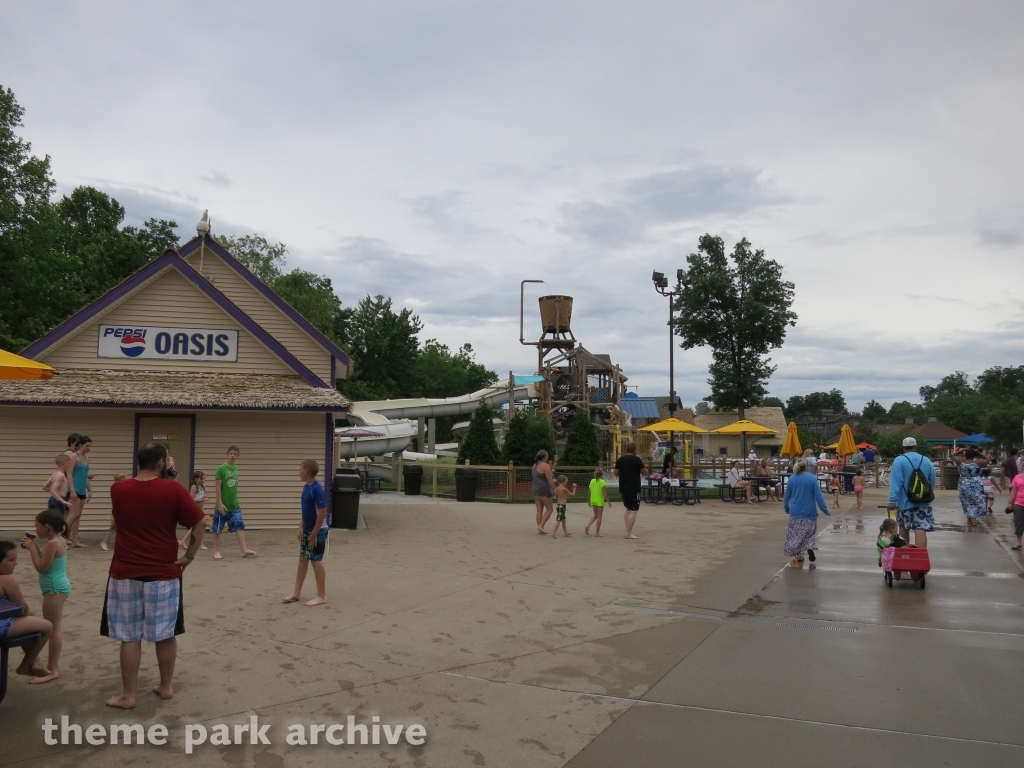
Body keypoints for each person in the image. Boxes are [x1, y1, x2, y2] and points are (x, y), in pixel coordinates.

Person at [102, 442, 206, 709]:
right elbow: (200, 521)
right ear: (162, 462)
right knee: (165, 633)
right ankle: (166, 686)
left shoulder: (118, 489)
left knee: (129, 636)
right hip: (163, 571)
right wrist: (189, 557)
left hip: (125, 571)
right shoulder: (173, 489)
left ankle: (128, 695)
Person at [20, 509, 71, 684]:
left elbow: (42, 567)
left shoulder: (52, 544)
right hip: (55, 586)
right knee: (52, 627)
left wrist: (33, 549)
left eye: (37, 526)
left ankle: (53, 670)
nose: (36, 530)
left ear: (47, 527)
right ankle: (51, 668)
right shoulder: (57, 540)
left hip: (55, 588)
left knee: (52, 628)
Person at [0, 541, 54, 681]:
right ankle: (25, 665)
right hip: (2, 625)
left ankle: (36, 663)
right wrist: (28, 613)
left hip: (6, 618)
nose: (16, 563)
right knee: (47, 626)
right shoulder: (7, 580)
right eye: (11, 560)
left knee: (27, 623)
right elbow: (22, 608)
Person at [282, 459, 329, 606]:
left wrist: (314, 534)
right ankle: (297, 592)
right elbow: (307, 511)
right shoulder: (306, 487)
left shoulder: (317, 489)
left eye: (300, 469)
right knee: (303, 559)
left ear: (306, 472)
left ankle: (321, 596)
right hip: (308, 529)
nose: (298, 472)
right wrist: (301, 526)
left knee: (316, 561)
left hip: (318, 530)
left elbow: (322, 512)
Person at [887, 437, 936, 548]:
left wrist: (892, 500)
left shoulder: (899, 460)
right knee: (921, 529)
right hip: (924, 502)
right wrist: (927, 494)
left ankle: (906, 556)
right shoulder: (926, 460)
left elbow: (896, 482)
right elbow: (932, 480)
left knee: (903, 528)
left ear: (903, 447)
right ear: (916, 446)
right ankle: (920, 557)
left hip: (904, 502)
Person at [782, 458, 830, 567]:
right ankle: (809, 547)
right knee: (809, 533)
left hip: (795, 512)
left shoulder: (792, 478)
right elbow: (819, 496)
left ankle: (799, 555)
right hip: (810, 512)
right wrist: (825, 510)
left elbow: (787, 496)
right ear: (807, 467)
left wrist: (786, 508)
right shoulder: (812, 478)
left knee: (796, 535)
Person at [214, 446, 257, 559]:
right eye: (231, 453)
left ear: (238, 456)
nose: (233, 455)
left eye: (235, 453)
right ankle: (216, 551)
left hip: (234, 504)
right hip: (222, 505)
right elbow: (218, 487)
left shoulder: (236, 468)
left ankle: (244, 549)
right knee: (217, 528)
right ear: (227, 454)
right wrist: (219, 503)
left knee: (239, 525)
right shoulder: (221, 468)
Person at [614, 443, 648, 539]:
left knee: (628, 508)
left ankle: (627, 529)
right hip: (634, 487)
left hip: (623, 487)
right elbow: (645, 472)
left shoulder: (620, 460)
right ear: (634, 450)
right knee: (633, 510)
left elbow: (616, 473)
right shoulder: (637, 460)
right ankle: (628, 533)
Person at [66, 436, 93, 548]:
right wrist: (72, 490)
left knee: (78, 516)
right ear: (80, 445)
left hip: (82, 489)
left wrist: (90, 489)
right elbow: (68, 474)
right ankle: (60, 536)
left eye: (90, 446)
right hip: (74, 489)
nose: (89, 448)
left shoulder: (86, 458)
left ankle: (75, 540)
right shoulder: (74, 456)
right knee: (74, 514)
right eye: (87, 446)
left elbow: (85, 476)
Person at [954, 448, 987, 528]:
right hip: (976, 483)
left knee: (966, 501)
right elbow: (987, 459)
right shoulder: (978, 463)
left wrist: (963, 449)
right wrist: (979, 453)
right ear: (973, 456)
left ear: (965, 455)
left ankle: (969, 518)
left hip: (964, 483)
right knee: (976, 501)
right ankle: (974, 519)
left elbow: (954, 455)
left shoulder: (961, 463)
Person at [100, 472, 129, 551]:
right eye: (126, 476)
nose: (128, 478)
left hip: (125, 511)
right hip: (118, 511)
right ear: (122, 479)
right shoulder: (117, 487)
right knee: (113, 527)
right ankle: (104, 542)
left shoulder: (123, 486)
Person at [180, 471, 209, 551]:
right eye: (202, 478)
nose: (204, 480)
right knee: (199, 526)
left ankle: (186, 542)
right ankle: (197, 543)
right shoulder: (194, 487)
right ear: (196, 479)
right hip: (195, 509)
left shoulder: (202, 486)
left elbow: (201, 495)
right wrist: (201, 499)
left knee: (199, 526)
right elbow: (191, 499)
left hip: (200, 508)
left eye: (204, 478)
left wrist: (204, 497)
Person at [532, 450, 556, 535]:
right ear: (545, 457)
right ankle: (541, 526)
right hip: (544, 490)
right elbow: (549, 479)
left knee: (539, 510)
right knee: (550, 509)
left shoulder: (534, 465)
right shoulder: (546, 466)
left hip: (536, 490)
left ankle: (540, 528)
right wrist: (554, 489)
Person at [585, 468, 610, 537]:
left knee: (595, 515)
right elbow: (604, 492)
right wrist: (608, 501)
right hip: (599, 501)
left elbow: (589, 492)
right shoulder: (602, 482)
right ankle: (597, 532)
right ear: (602, 474)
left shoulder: (592, 481)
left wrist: (589, 500)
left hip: (593, 500)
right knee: (599, 516)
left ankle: (588, 525)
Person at [1009, 467, 1024, 551]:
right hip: (1018, 503)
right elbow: (1013, 491)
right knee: (1018, 522)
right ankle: (1018, 542)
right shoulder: (1017, 477)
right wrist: (1010, 503)